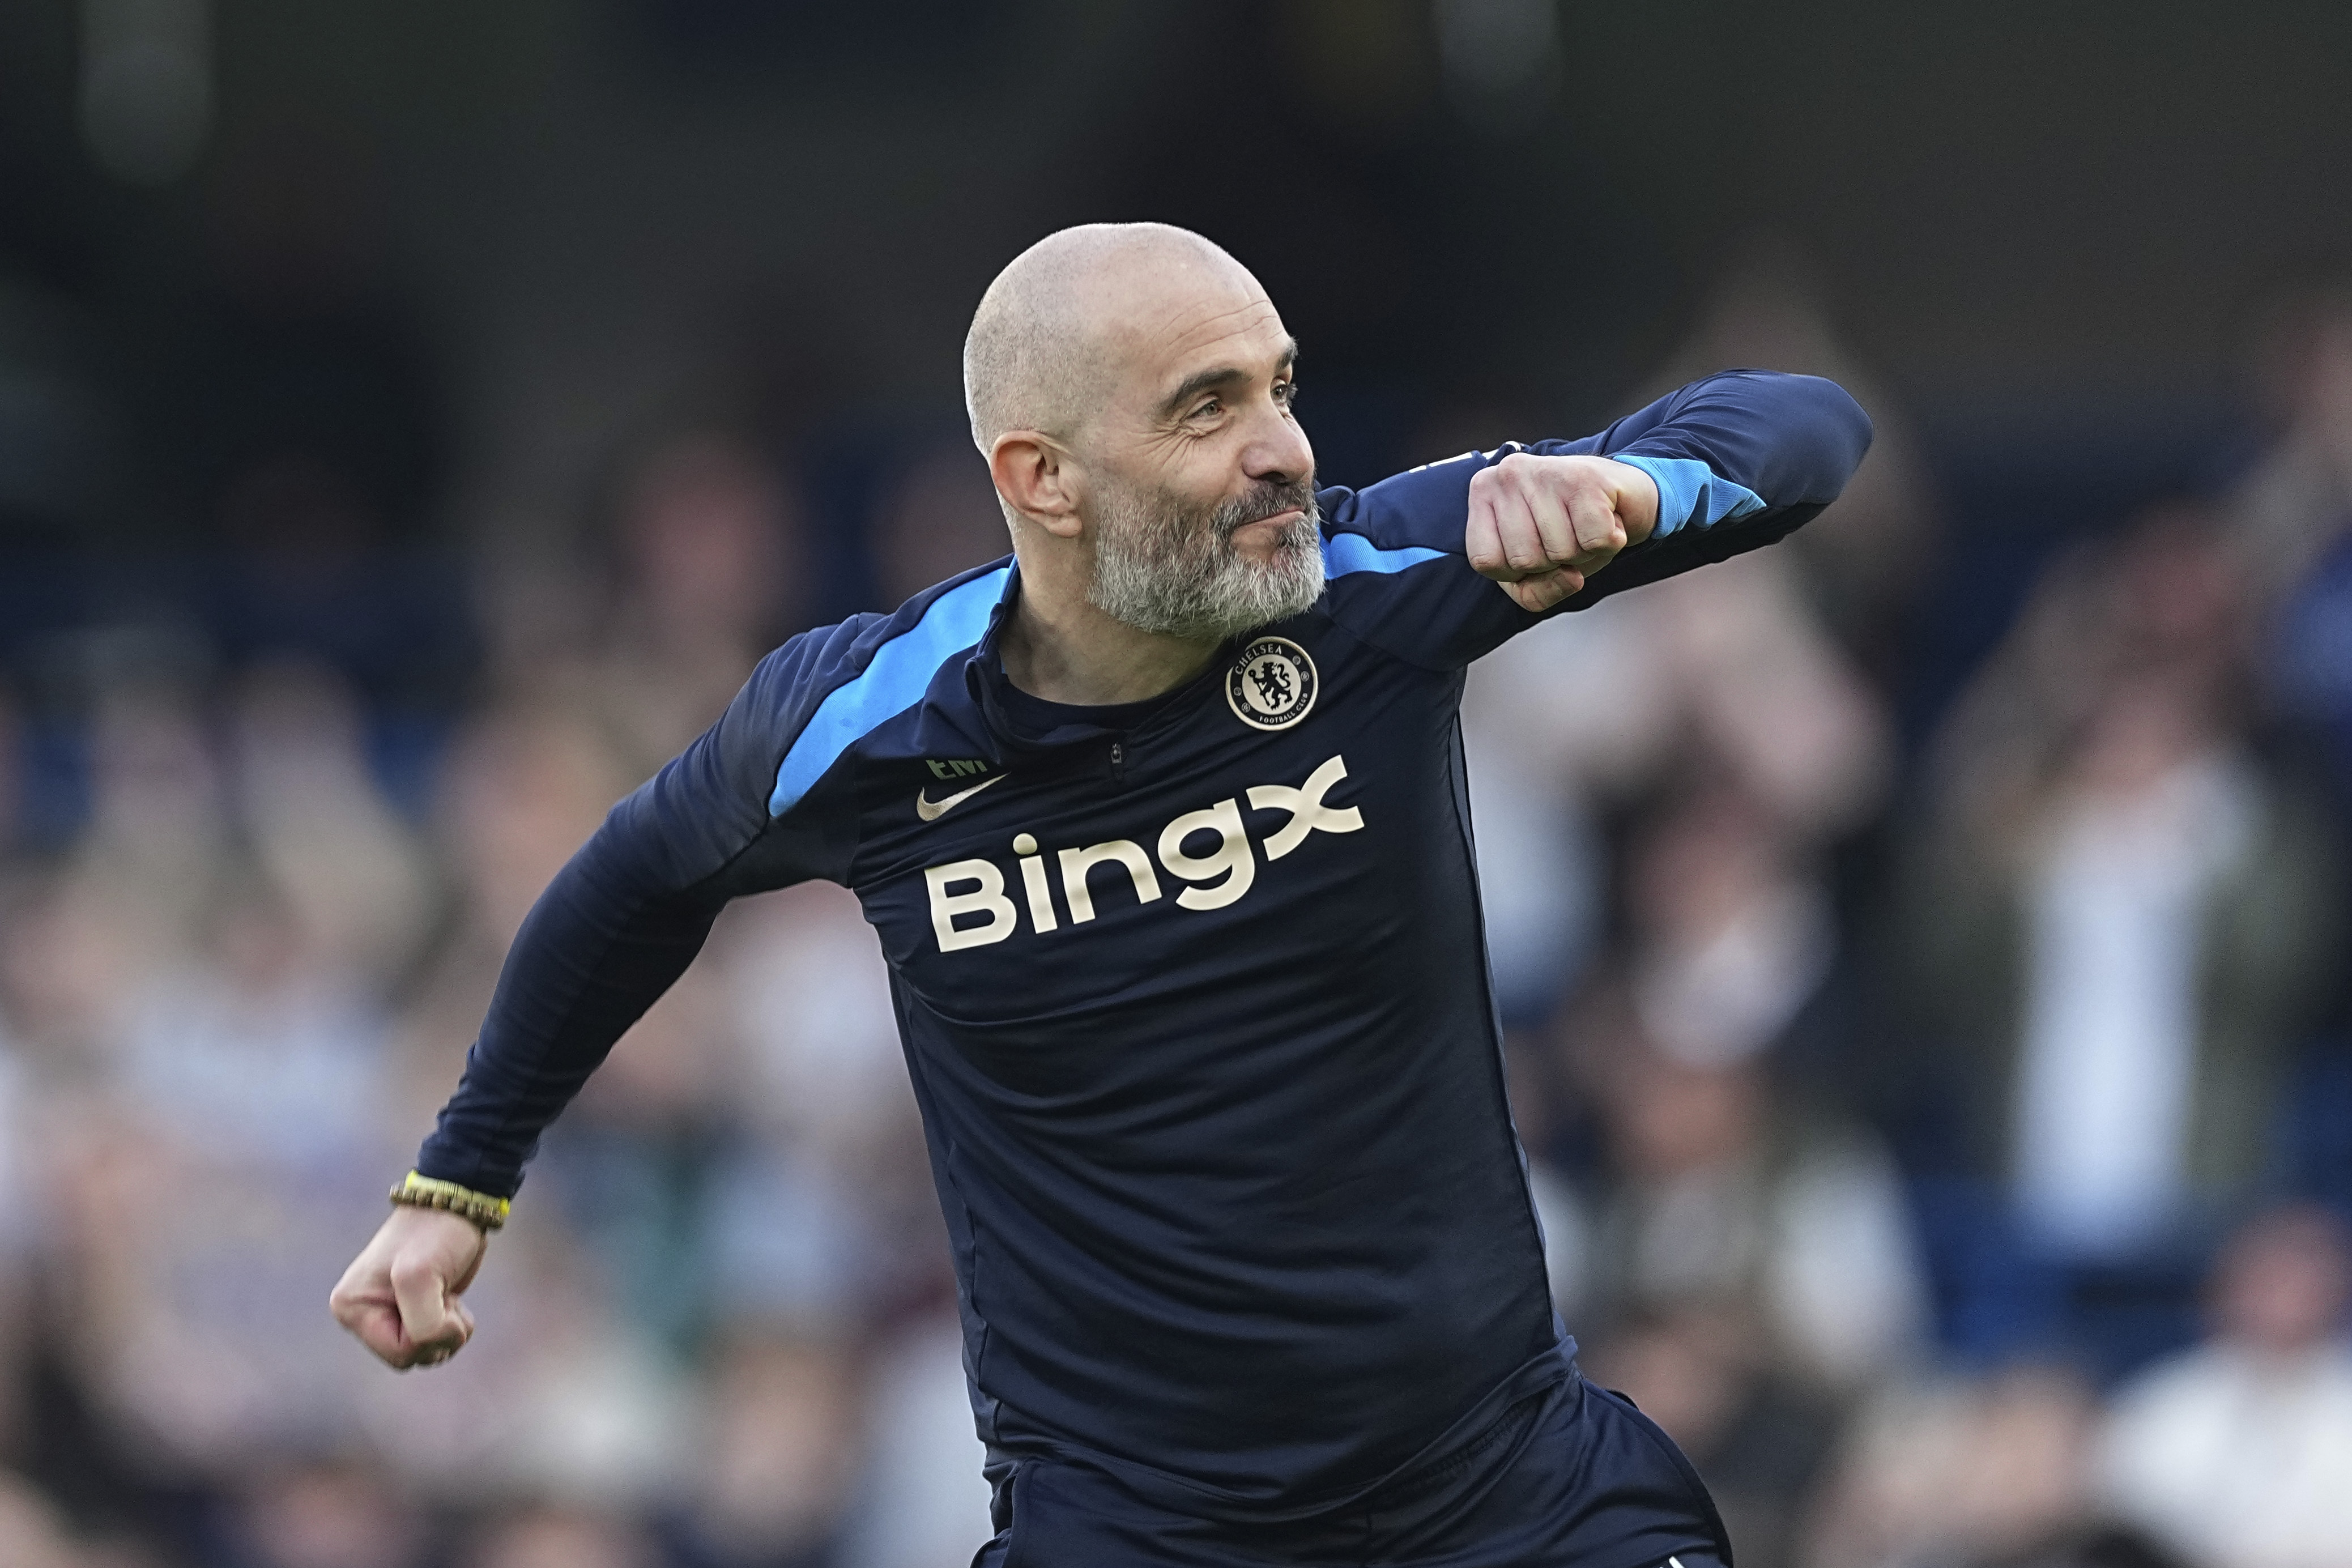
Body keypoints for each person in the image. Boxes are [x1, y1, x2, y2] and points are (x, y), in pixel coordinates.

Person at [331, 222, 1870, 1566]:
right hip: (1137, 1530)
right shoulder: (865, 723)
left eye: (1280, 388)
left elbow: (1811, 429)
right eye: (1208, 407)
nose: (1283, 447)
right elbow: (624, 890)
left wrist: (1631, 486)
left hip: (1499, 1490)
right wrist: (459, 1183)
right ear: (1040, 477)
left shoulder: (1373, 585)